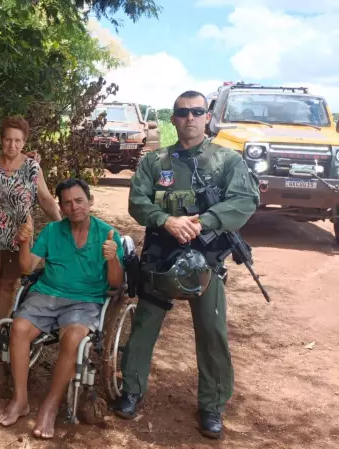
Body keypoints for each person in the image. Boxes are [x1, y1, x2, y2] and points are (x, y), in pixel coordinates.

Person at [113, 90, 260, 439]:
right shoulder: (155, 161)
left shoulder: (227, 161)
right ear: (174, 118)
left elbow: (245, 200)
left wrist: (203, 221)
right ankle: (131, 390)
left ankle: (212, 406)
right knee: (145, 325)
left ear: (207, 116)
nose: (189, 118)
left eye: (196, 111)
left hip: (205, 262)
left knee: (212, 333)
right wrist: (166, 220)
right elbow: (137, 201)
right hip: (161, 257)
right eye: (182, 112)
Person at [0, 178, 124, 439]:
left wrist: (112, 259)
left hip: (85, 299)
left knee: (74, 339)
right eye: (67, 203)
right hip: (47, 294)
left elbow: (115, 283)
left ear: (90, 201)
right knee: (18, 327)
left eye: (79, 200)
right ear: (62, 208)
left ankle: (50, 406)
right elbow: (27, 268)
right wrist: (23, 242)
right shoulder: (53, 231)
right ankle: (20, 400)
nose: (74, 207)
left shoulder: (108, 234)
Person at [0, 116, 61, 346]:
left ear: (24, 142)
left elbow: (44, 198)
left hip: (19, 239)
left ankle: (0, 329)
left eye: (17, 141)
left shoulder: (32, 168)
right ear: (1, 140)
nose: (12, 145)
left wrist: (61, 224)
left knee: (8, 285)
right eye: (8, 140)